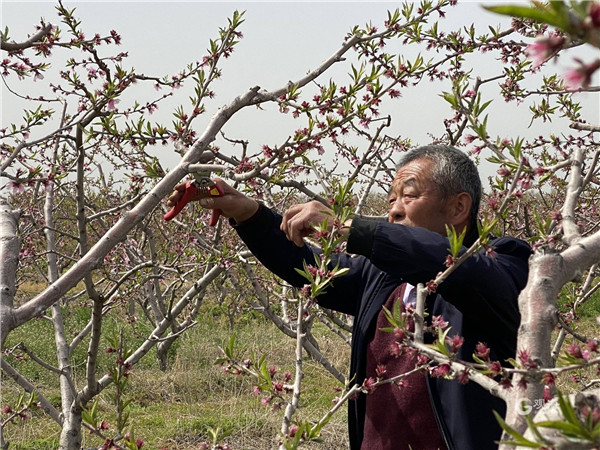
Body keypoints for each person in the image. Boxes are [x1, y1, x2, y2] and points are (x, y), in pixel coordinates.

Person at [167, 144, 532, 450]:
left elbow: (450, 263)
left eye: (409, 196)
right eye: (391, 198)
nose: (394, 209)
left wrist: (348, 227)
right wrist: (247, 213)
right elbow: (308, 265)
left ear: (458, 207)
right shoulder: (383, 275)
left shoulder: (502, 264)